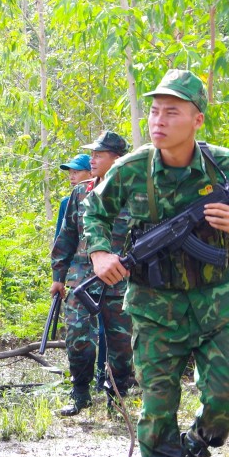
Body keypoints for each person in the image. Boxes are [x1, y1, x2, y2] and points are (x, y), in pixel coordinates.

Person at [83, 69, 229, 457]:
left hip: (216, 303)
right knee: (157, 408)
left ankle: (193, 449)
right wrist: (100, 252)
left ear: (197, 120)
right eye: (154, 110)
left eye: (172, 111)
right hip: (154, 308)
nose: (159, 120)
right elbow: (94, 211)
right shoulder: (131, 170)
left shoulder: (224, 165)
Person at [51, 132, 137, 415]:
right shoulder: (81, 193)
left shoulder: (134, 196)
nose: (92, 159)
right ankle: (80, 394)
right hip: (81, 279)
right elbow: (67, 236)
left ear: (118, 159)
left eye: (99, 155)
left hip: (120, 280)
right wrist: (58, 277)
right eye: (92, 154)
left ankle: (117, 397)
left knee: (121, 343)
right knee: (78, 337)